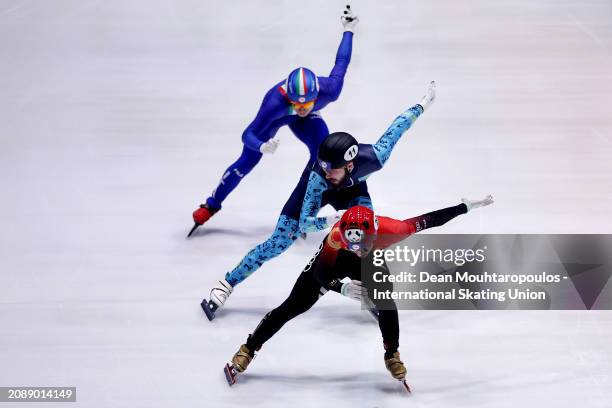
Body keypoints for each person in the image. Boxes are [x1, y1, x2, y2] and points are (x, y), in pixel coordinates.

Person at [202, 81, 437, 320]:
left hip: (353, 192)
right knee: (278, 242)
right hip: (312, 192)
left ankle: (367, 289)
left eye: (331, 170)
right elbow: (305, 223)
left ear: (350, 165)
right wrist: (332, 219)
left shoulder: (375, 157)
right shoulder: (318, 177)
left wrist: (423, 104)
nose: (327, 173)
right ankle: (227, 283)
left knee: (366, 234)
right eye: (323, 167)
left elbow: (398, 128)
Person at [224, 197, 494, 385]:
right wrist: (340, 287)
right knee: (293, 305)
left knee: (387, 302)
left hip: (371, 263)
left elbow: (431, 219)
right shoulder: (336, 238)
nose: (356, 247)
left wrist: (464, 207)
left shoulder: (395, 229)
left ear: (375, 234)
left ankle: (392, 354)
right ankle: (249, 347)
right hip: (331, 264)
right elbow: (320, 275)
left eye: (361, 243)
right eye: (351, 243)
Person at [189, 5, 359, 237]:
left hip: (307, 121)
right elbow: (246, 135)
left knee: (322, 156)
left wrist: (348, 30)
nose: (300, 109)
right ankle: (210, 205)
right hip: (278, 118)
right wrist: (261, 145)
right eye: (296, 104)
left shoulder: (329, 89)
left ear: (316, 98)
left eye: (305, 105)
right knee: (247, 161)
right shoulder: (274, 103)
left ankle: (302, 211)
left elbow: (341, 62)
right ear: (287, 96)